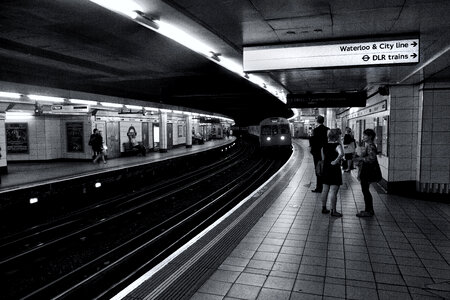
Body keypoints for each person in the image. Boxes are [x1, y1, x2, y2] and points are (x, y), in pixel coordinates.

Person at [354, 128, 380, 217]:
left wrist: (361, 158)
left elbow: (372, 158)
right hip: (366, 169)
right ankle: (368, 209)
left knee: (365, 190)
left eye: (365, 135)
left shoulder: (371, 146)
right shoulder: (369, 145)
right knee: (365, 190)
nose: (363, 137)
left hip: (368, 170)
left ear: (370, 136)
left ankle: (369, 210)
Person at [319, 128, 344, 217]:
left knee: (325, 189)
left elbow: (322, 159)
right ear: (337, 136)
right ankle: (333, 210)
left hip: (326, 168)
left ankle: (324, 207)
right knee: (333, 190)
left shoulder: (324, 146)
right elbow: (341, 154)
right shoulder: (337, 145)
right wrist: (336, 161)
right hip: (334, 169)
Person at [309, 115, 329, 193]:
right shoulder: (327, 129)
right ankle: (325, 186)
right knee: (325, 169)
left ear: (317, 121)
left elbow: (312, 142)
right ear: (323, 121)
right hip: (326, 152)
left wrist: (312, 152)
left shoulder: (315, 130)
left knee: (318, 169)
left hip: (317, 153)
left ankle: (319, 187)